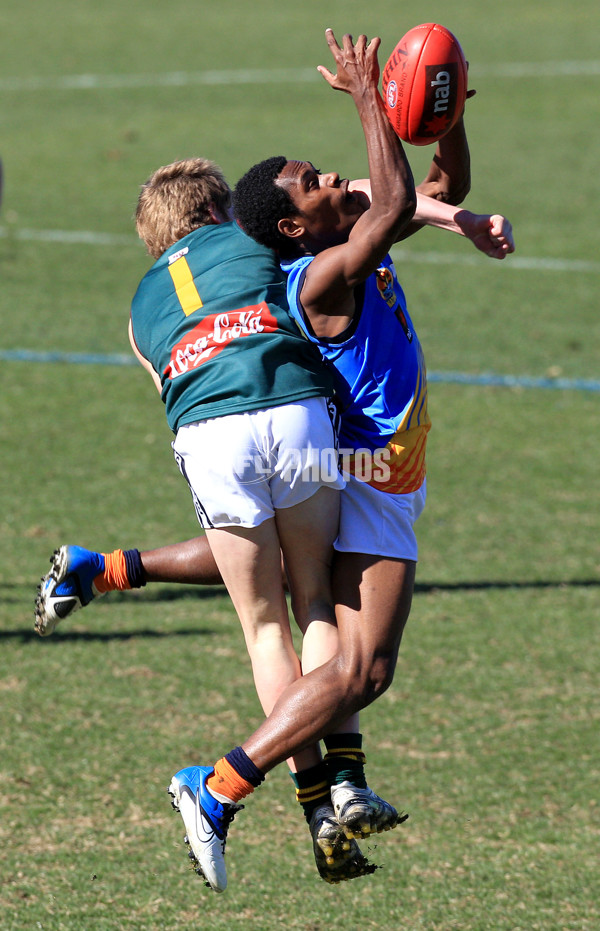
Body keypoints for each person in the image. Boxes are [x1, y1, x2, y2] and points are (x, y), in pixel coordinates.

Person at [35, 29, 515, 894]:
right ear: (291, 227)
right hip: (364, 474)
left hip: (352, 465)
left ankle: (333, 777)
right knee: (357, 665)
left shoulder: (333, 238)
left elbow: (433, 189)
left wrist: (444, 119)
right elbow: (398, 195)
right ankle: (222, 784)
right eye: (312, 181)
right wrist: (374, 98)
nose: (331, 175)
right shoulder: (318, 277)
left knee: (290, 603)